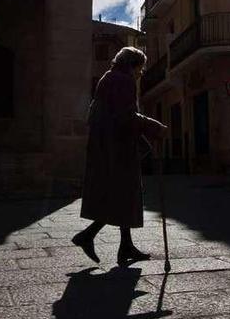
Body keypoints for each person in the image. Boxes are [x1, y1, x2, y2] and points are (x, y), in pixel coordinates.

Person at [72, 47, 168, 266]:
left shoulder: (107, 78)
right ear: (132, 65)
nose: (141, 73)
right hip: (118, 148)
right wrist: (155, 127)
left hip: (107, 146)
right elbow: (127, 116)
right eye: (140, 68)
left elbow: (114, 115)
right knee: (123, 193)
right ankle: (89, 236)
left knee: (121, 195)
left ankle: (124, 245)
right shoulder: (124, 81)